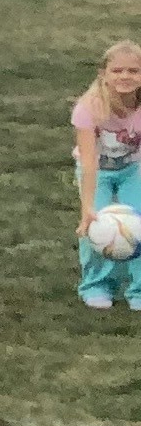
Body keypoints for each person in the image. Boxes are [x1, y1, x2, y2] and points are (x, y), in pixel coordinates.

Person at [71, 41, 141, 308]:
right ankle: (96, 286)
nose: (125, 76)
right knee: (96, 227)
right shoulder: (89, 107)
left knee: (139, 225)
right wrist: (87, 208)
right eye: (118, 70)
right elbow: (89, 162)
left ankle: (138, 290)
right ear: (104, 74)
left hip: (133, 169)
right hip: (97, 171)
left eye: (133, 71)